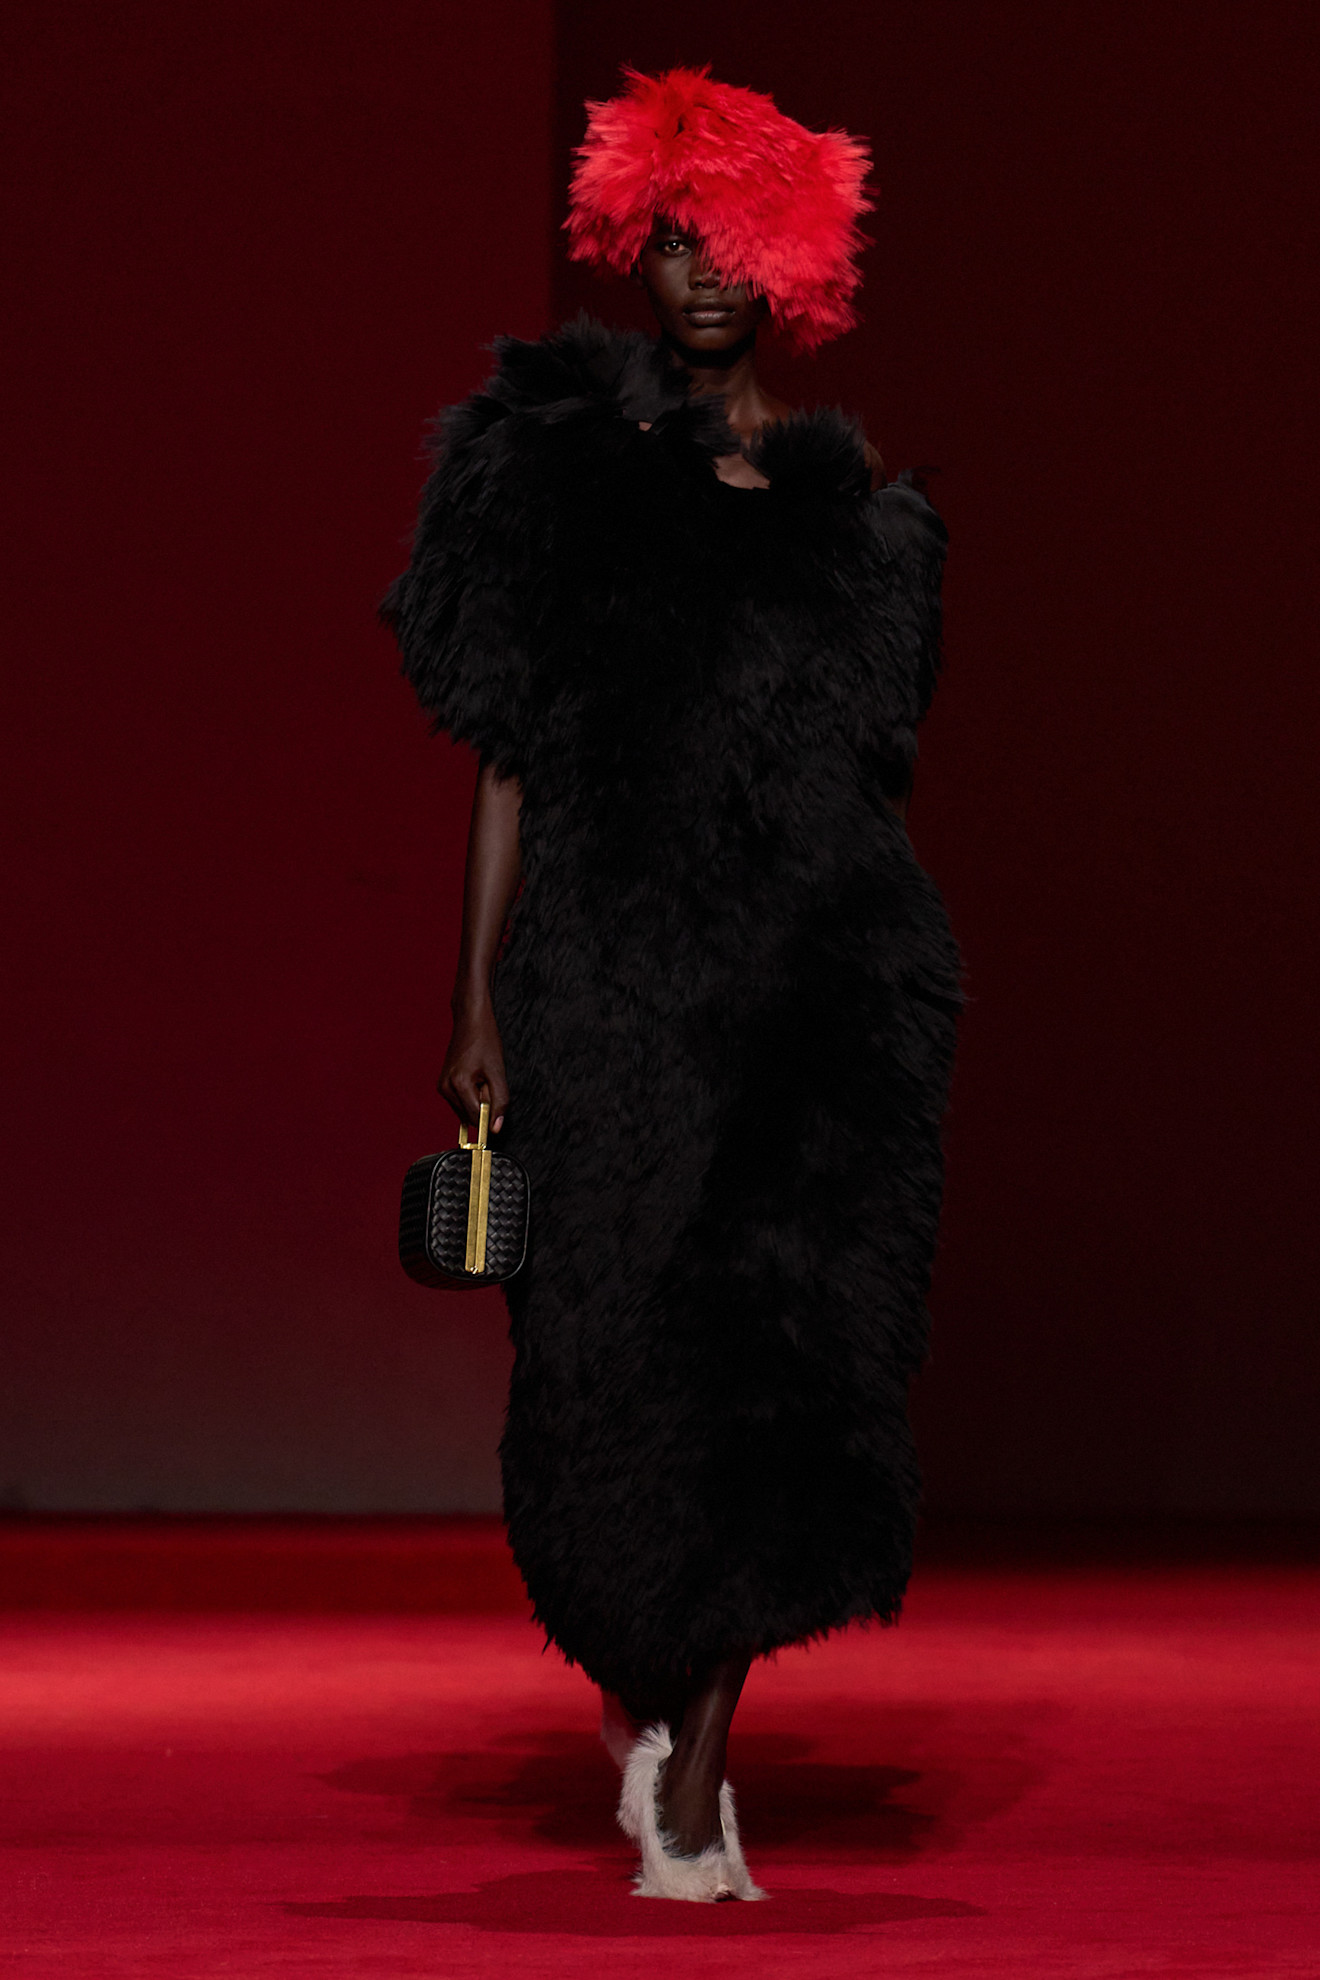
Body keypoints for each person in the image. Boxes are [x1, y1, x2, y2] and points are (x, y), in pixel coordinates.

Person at [383, 66, 961, 1902]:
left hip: (809, 992)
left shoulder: (851, 509)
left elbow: (865, 779)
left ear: (800, 265)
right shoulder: (557, 474)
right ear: (632, 247)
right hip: (603, 990)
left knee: (775, 1357)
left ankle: (700, 1773)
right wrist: (476, 1002)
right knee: (601, 1353)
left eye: (744, 243)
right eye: (678, 239)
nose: (708, 274)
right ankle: (647, 1700)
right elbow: (508, 757)